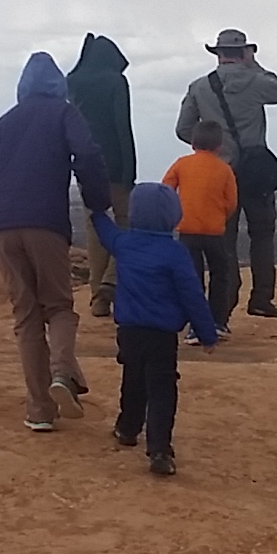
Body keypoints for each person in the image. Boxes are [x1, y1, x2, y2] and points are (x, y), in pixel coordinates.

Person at [0, 52, 112, 433]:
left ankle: (39, 410)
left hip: (3, 228)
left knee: (26, 316)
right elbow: (87, 154)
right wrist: (98, 201)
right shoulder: (63, 113)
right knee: (59, 306)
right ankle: (63, 374)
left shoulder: (0, 125)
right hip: (45, 224)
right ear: (58, 85)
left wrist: (3, 208)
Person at [88, 181, 222, 475]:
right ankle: (159, 449)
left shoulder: (124, 244)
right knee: (162, 390)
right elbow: (192, 296)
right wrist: (207, 333)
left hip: (130, 331)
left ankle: (127, 428)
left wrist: (96, 210)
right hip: (162, 335)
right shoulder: (175, 253)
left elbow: (105, 231)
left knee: (133, 380)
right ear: (173, 215)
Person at [173, 28, 277, 318]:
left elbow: (183, 129)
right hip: (255, 171)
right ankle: (261, 298)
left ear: (218, 53)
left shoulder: (200, 86)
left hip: (217, 171)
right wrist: (256, 65)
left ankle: (224, 302)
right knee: (262, 235)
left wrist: (211, 148)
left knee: (223, 240)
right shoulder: (257, 81)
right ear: (244, 53)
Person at [65, 34, 137, 320]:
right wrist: (130, 168)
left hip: (85, 165)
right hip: (115, 165)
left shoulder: (74, 82)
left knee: (95, 228)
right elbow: (123, 126)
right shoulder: (115, 82)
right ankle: (111, 281)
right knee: (127, 224)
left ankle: (98, 300)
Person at [162, 121, 244, 326]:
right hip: (214, 232)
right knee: (220, 277)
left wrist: (175, 215)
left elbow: (165, 190)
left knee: (192, 280)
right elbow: (232, 201)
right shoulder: (224, 169)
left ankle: (195, 325)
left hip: (187, 231)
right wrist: (219, 215)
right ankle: (217, 322)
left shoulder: (181, 163)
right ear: (220, 145)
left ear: (192, 144)